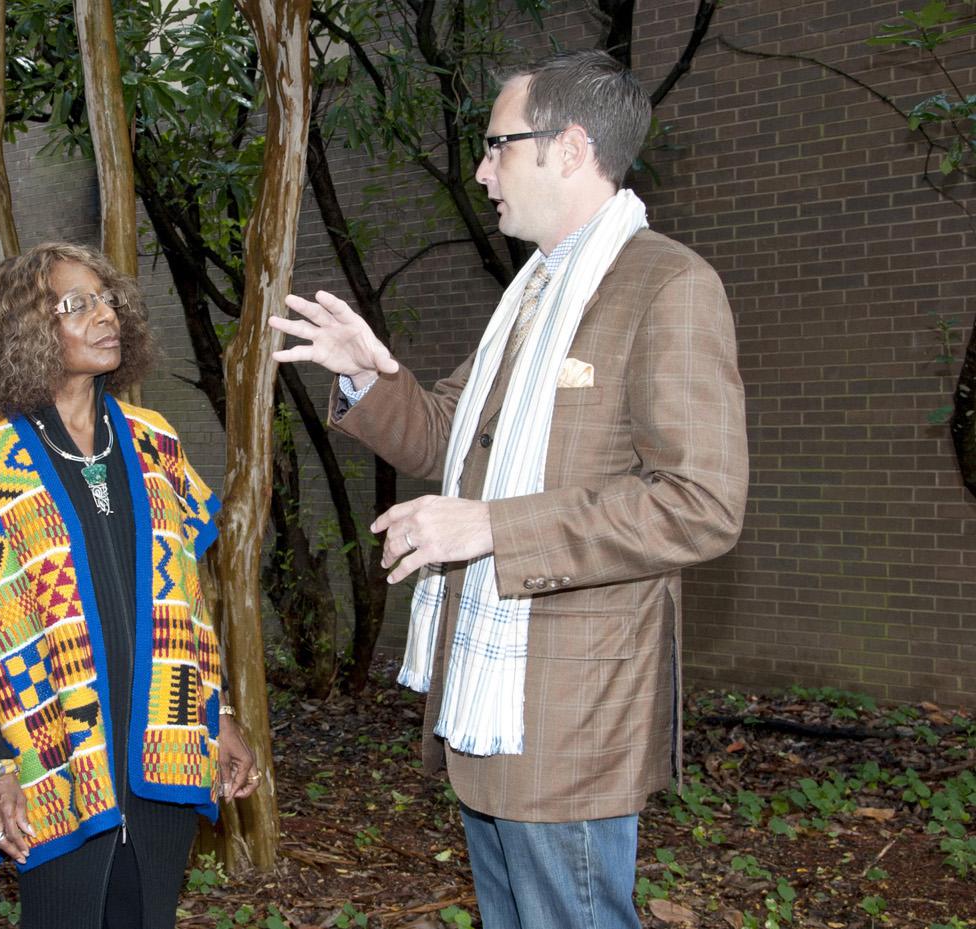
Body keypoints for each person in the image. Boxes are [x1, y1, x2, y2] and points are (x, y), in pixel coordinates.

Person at [271, 50, 748, 929]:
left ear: (567, 149)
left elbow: (700, 502)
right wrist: (367, 378)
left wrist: (493, 526)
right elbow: (454, 434)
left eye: (496, 146)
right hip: (488, 694)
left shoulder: (667, 286)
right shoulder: (533, 290)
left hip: (569, 712)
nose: (482, 171)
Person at [0, 241, 257, 929]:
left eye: (107, 299)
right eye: (76, 303)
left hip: (165, 744)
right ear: (28, 327)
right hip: (51, 760)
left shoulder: (156, 444)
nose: (105, 314)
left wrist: (219, 714)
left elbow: (190, 603)